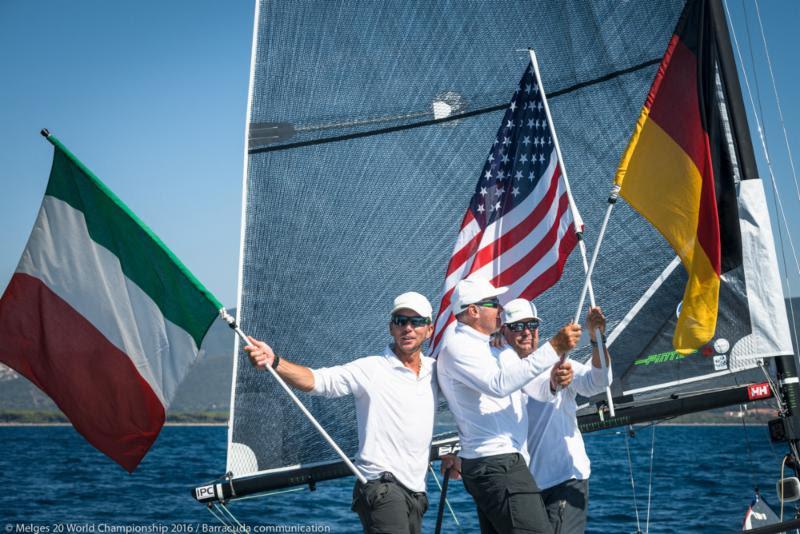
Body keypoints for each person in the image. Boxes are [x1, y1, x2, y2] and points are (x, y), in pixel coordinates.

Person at [245, 291, 450, 534]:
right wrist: (275, 361)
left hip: (417, 491)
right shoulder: (371, 369)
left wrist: (456, 452)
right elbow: (318, 381)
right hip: (381, 487)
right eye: (400, 321)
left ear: (429, 329)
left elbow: (470, 401)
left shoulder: (437, 371)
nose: (408, 328)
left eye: (416, 322)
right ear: (390, 328)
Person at [437, 277, 581, 534]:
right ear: (473, 311)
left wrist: (552, 382)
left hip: (503, 463)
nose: (500, 309)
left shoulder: (492, 347)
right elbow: (498, 384)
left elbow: (532, 389)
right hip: (495, 464)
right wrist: (554, 347)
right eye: (493, 303)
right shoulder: (459, 346)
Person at [498, 298, 612, 534]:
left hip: (563, 477)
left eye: (532, 325)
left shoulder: (561, 362)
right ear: (503, 331)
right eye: (518, 326)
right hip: (520, 487)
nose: (527, 332)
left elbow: (600, 381)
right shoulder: (495, 371)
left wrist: (597, 339)